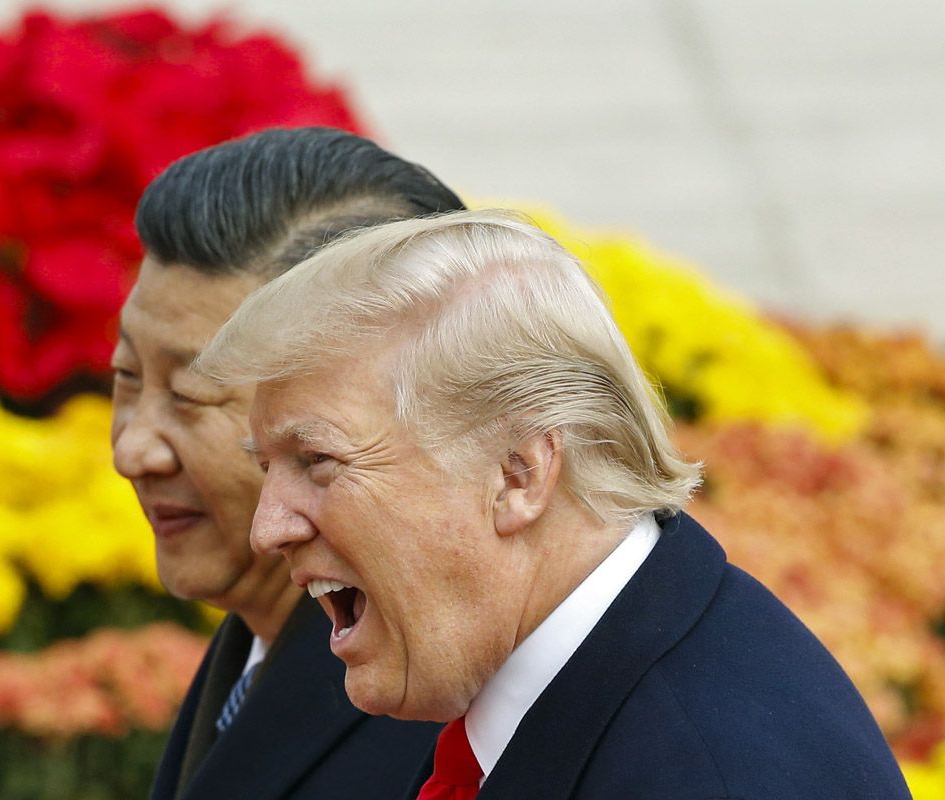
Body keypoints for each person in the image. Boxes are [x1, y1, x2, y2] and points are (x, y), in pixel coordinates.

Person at [197, 210, 911, 799]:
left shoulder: (709, 773)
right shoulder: (567, 680)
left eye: (317, 462)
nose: (267, 530)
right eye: (266, 468)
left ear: (517, 475)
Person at [112, 127, 464, 800]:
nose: (133, 450)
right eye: (126, 375)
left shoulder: (436, 712)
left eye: (188, 395)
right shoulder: (260, 631)